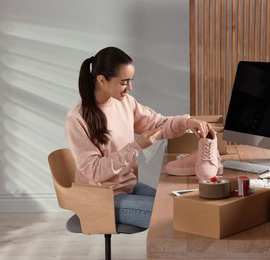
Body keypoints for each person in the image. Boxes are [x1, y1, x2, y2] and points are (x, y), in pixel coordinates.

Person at [65, 46, 212, 229]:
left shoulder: (126, 102)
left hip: (127, 187)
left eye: (131, 81)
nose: (130, 88)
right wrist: (136, 146)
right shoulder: (77, 119)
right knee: (172, 215)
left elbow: (158, 123)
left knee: (184, 206)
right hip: (100, 198)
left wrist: (187, 123)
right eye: (124, 82)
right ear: (102, 80)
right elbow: (94, 171)